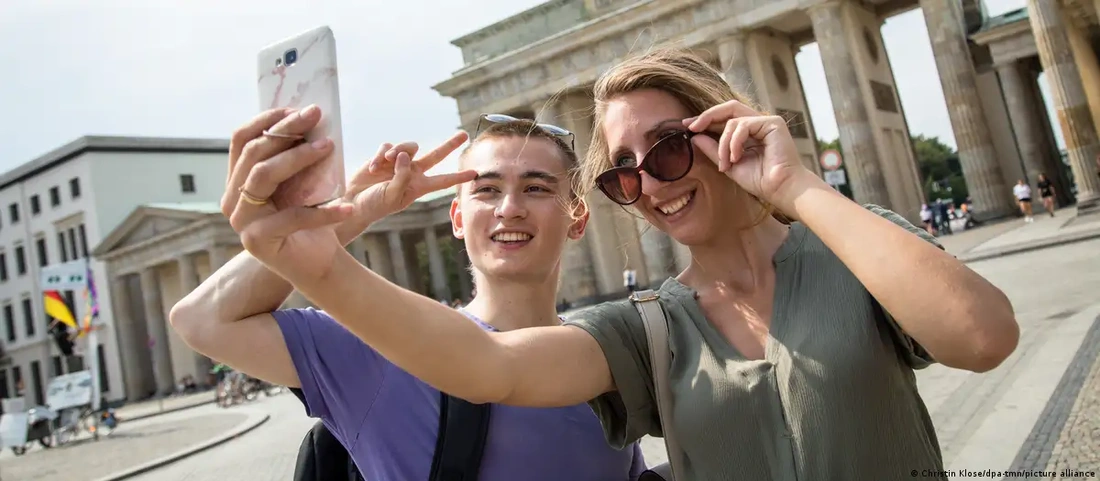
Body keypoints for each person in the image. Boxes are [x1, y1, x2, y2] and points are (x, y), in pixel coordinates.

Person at [227, 48, 1019, 481]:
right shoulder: (646, 328)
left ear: (727, 130)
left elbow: (982, 336)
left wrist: (795, 186)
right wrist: (321, 264)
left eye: (670, 147)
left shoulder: (853, 247)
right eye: (623, 173)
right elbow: (487, 365)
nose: (651, 184)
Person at [169, 108, 646, 480]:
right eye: (485, 190)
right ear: (457, 220)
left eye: (537, 188)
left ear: (578, 218)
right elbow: (203, 321)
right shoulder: (380, 346)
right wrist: (351, 211)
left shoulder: (604, 360)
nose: (509, 209)